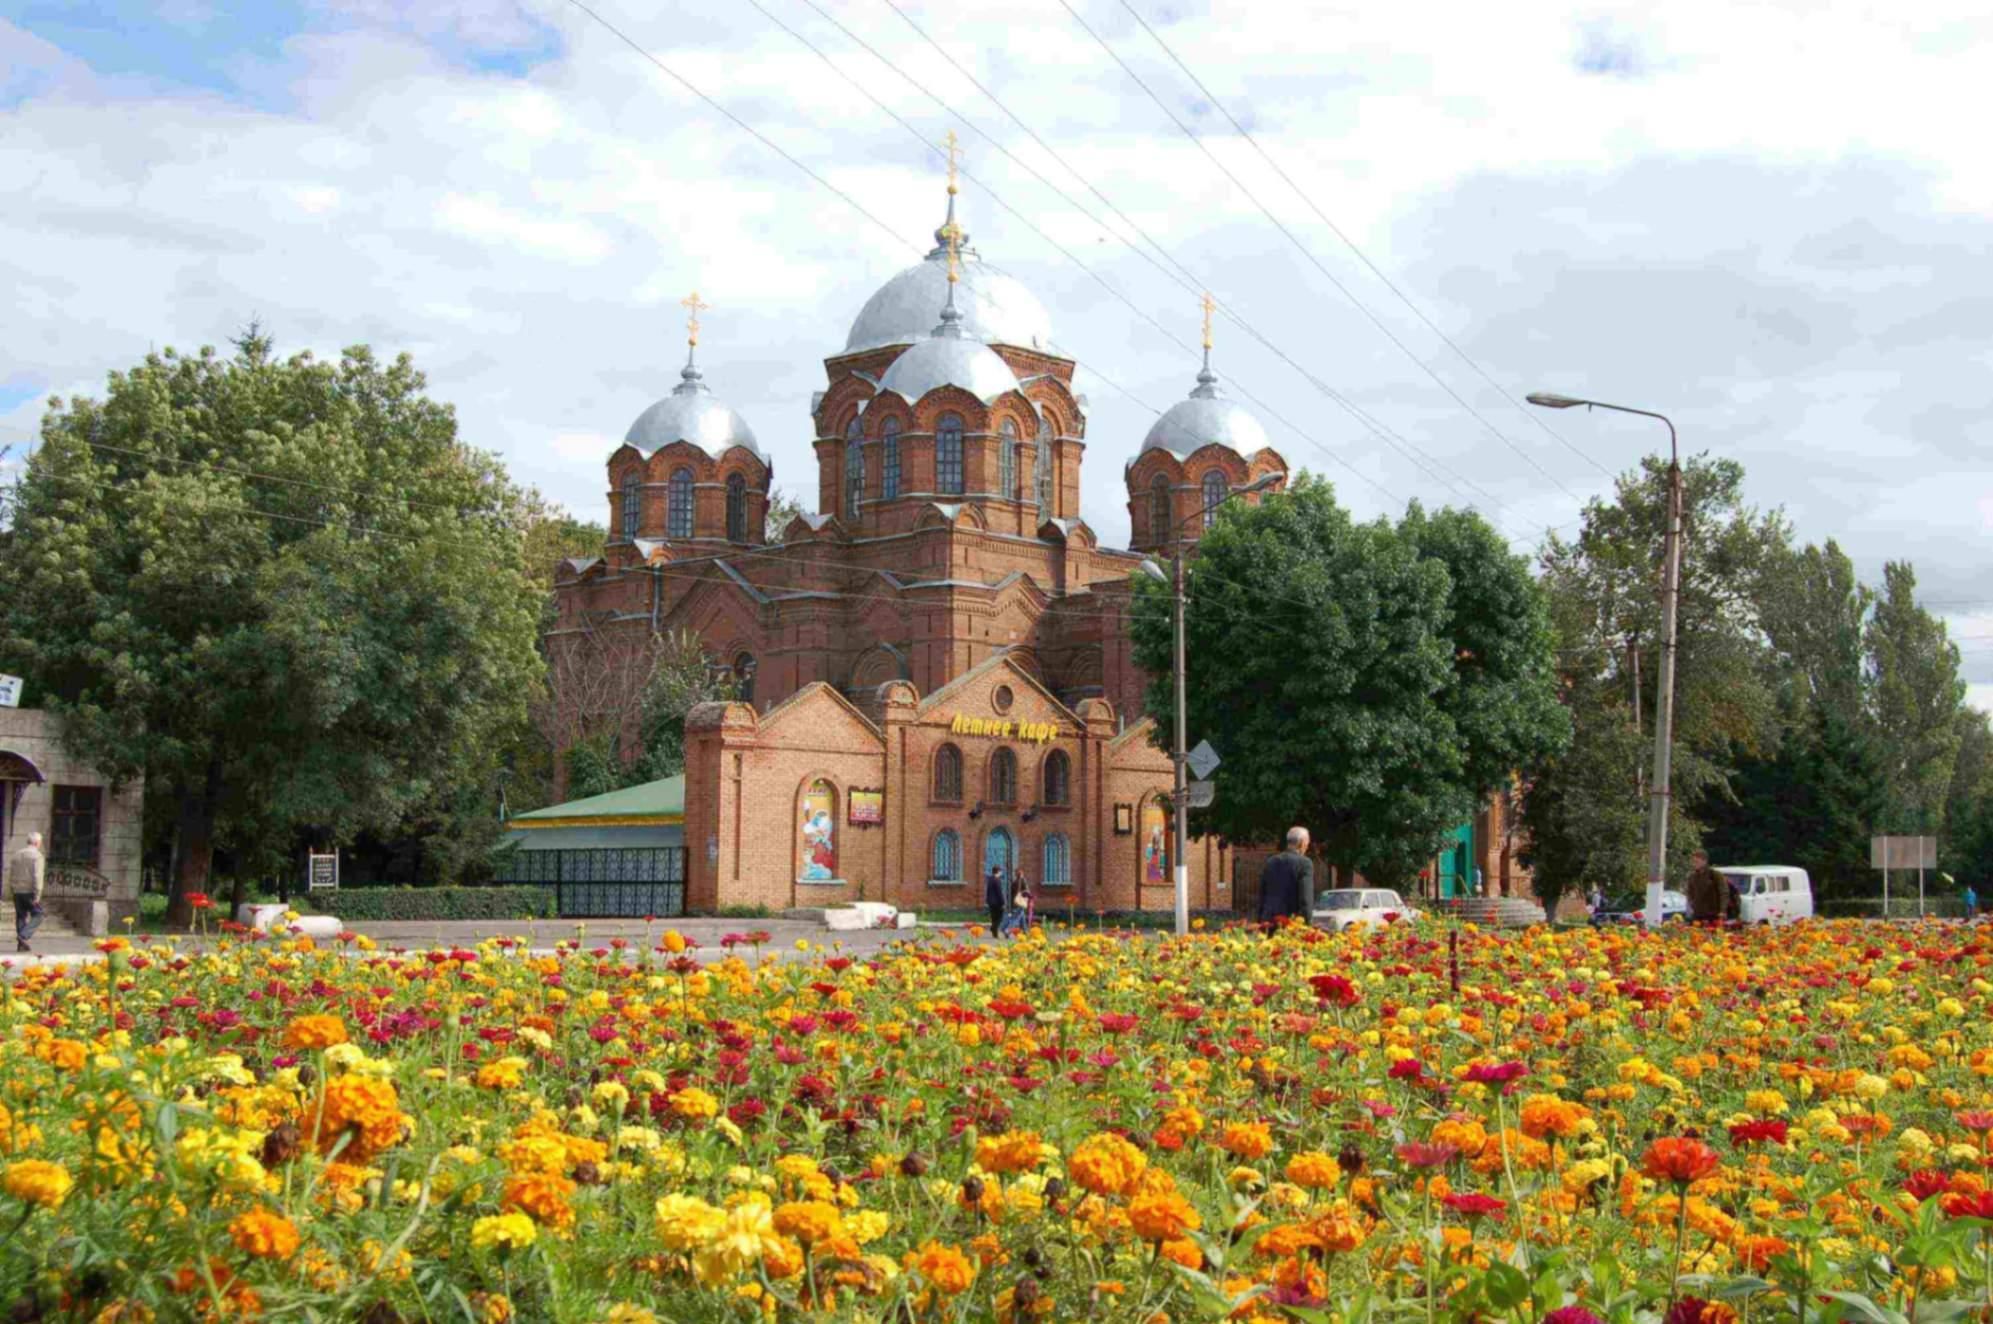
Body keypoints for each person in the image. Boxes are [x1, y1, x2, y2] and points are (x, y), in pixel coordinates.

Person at [1257, 826, 1314, 930]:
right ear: (1301, 843)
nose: (1307, 847)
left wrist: (1260, 921)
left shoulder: (1271, 862)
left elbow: (1262, 894)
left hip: (1269, 922)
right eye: (1307, 843)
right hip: (1291, 924)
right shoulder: (1305, 863)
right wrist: (1306, 925)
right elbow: (1305, 899)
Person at [8, 831, 46, 954]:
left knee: (21, 916)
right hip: (30, 891)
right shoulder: (37, 856)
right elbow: (37, 876)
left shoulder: (16, 855)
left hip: (17, 891)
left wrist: (13, 888)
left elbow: (11, 874)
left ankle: (21, 945)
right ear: (37, 842)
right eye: (40, 842)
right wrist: (37, 894)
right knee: (39, 915)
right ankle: (23, 936)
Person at [1683, 850, 1734, 925]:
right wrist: (1692, 904)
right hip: (1698, 915)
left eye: (1696, 862)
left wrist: (1723, 911)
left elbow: (1724, 893)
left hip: (1713, 916)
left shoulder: (1715, 875)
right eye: (1693, 862)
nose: (1694, 864)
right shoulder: (1692, 877)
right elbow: (1689, 893)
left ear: (1705, 861)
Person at [984, 864, 1006, 935]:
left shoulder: (990, 879)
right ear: (998, 871)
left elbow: (988, 891)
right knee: (1000, 916)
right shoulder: (997, 880)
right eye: (1001, 871)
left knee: (994, 917)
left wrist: (987, 900)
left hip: (990, 901)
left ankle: (995, 933)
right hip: (997, 902)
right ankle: (993, 928)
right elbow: (999, 892)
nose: (1001, 873)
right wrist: (1003, 902)